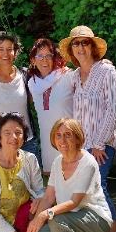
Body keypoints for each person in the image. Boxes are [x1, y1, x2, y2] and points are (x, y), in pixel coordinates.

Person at [59, 25, 116, 232]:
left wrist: (99, 143)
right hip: (82, 145)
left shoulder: (107, 72)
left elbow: (113, 109)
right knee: (82, 190)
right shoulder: (75, 76)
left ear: (93, 47)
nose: (80, 47)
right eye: (75, 44)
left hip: (102, 143)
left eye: (84, 42)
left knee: (100, 186)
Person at [27, 118, 111, 232]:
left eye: (68, 135)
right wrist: (34, 223)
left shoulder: (88, 162)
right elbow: (49, 197)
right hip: (70, 220)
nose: (62, 140)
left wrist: (45, 214)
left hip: (96, 220)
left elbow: (74, 202)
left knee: (56, 220)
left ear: (77, 138)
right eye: (58, 135)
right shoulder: (57, 162)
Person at [0, 31, 42, 166]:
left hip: (26, 142)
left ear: (15, 52)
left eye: (10, 49)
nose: (6, 53)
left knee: (31, 179)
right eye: (1, 49)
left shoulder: (26, 75)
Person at [27, 38, 74, 174]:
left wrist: (101, 64)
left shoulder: (67, 76)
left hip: (69, 140)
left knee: (72, 179)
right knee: (51, 180)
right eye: (40, 56)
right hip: (47, 143)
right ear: (33, 60)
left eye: (48, 55)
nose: (44, 60)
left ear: (54, 58)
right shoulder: (32, 84)